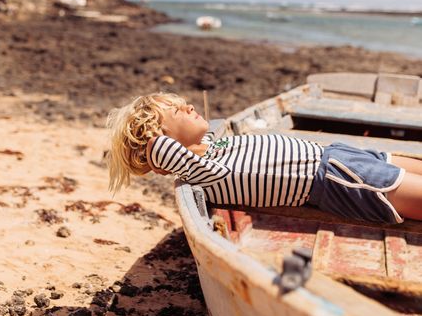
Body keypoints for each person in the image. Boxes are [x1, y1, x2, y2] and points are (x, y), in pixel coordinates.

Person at [106, 92, 422, 224]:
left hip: (337, 155)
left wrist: (176, 123)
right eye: (178, 111)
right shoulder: (201, 171)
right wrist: (145, 135)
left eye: (185, 103)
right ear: (162, 143)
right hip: (339, 180)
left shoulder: (213, 147)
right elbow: (158, 152)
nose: (189, 106)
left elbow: (211, 131)